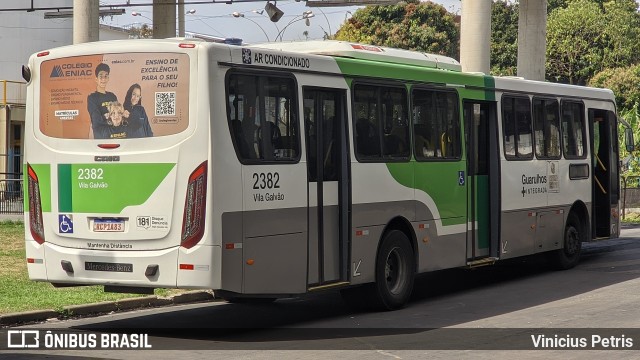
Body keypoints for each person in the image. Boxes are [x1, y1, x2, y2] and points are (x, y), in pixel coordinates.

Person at [87, 63, 118, 138]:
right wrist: (111, 117)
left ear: (108, 78)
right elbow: (97, 121)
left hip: (115, 136)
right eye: (101, 76)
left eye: (106, 76)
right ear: (96, 79)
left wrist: (105, 116)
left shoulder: (112, 96)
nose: (103, 79)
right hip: (101, 137)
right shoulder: (92, 98)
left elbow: (118, 116)